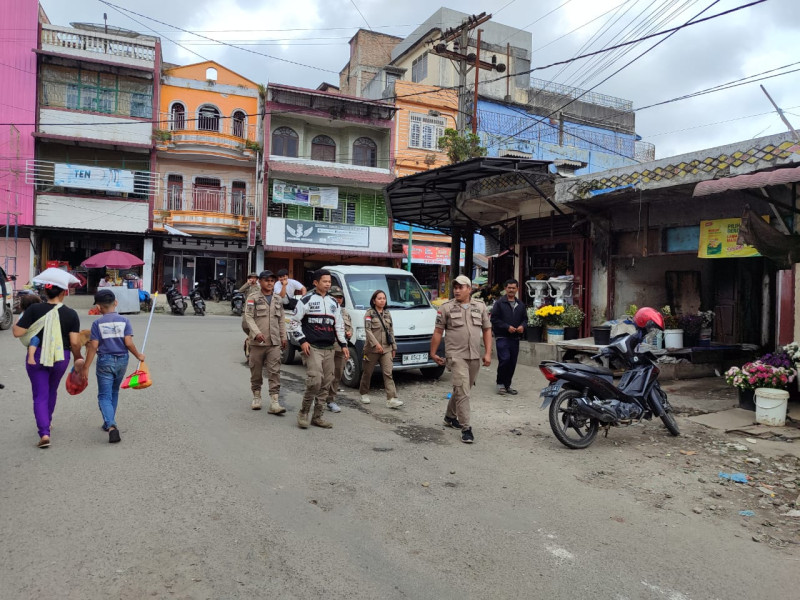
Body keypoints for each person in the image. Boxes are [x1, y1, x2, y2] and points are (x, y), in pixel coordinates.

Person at [13, 268, 83, 449]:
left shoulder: (34, 309)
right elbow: (75, 342)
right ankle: (47, 421)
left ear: (45, 291)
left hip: (36, 356)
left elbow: (17, 332)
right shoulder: (71, 314)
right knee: (52, 390)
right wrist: (78, 357)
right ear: (63, 293)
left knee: (40, 394)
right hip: (62, 356)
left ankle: (44, 432)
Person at [429, 274, 492, 444]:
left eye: (460, 287)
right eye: (455, 287)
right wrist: (433, 353)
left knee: (461, 389)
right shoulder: (446, 308)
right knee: (463, 391)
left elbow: (487, 330)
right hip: (456, 356)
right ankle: (466, 428)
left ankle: (450, 417)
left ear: (469, 289)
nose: (457, 290)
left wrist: (487, 353)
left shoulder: (480, 307)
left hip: (474, 356)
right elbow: (437, 331)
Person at [82, 289, 145, 443]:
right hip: (122, 360)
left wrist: (86, 367)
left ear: (98, 307)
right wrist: (139, 356)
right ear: (115, 303)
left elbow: (93, 346)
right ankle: (107, 421)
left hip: (105, 361)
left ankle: (111, 426)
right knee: (114, 392)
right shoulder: (124, 321)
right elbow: (128, 343)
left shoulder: (97, 323)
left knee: (104, 395)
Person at [289, 269, 349, 429]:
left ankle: (318, 416)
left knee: (326, 383)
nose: (328, 284)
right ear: (316, 283)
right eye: (325, 281)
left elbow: (339, 325)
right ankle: (304, 412)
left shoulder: (333, 303)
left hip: (329, 348)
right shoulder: (306, 300)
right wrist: (302, 341)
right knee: (315, 380)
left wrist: (343, 345)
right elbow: (294, 322)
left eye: (330, 282)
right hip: (312, 347)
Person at [242, 270, 287, 415]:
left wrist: (283, 336)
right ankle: (256, 397)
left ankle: (274, 402)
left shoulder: (278, 299)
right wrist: (256, 333)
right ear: (260, 281)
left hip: (274, 342)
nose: (269, 283)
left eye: (272, 281)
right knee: (256, 371)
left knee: (275, 371)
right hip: (257, 343)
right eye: (266, 280)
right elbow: (248, 317)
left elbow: (281, 319)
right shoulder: (253, 297)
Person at [359, 290, 403, 409]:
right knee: (367, 372)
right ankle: (364, 393)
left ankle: (391, 398)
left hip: (386, 349)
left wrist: (394, 347)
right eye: (379, 298)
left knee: (388, 373)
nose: (382, 300)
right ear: (374, 300)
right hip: (372, 349)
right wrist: (376, 344)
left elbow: (391, 331)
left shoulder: (387, 314)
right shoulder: (369, 313)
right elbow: (368, 330)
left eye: (384, 298)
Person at [490, 279, 526, 395]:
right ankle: (500, 383)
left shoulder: (520, 305)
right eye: (509, 288)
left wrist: (522, 326)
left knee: (512, 362)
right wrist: (506, 327)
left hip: (515, 338)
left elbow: (525, 320)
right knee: (504, 359)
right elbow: (494, 319)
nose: (511, 290)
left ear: (517, 289)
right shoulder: (499, 303)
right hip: (502, 337)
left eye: (513, 288)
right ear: (505, 288)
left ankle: (507, 385)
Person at [326, 286, 352, 413]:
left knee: (337, 375)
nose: (338, 299)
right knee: (325, 375)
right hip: (327, 346)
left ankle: (331, 400)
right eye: (335, 296)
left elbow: (349, 328)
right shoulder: (324, 310)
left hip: (341, 347)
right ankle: (319, 397)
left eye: (340, 297)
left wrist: (349, 333)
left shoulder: (345, 313)